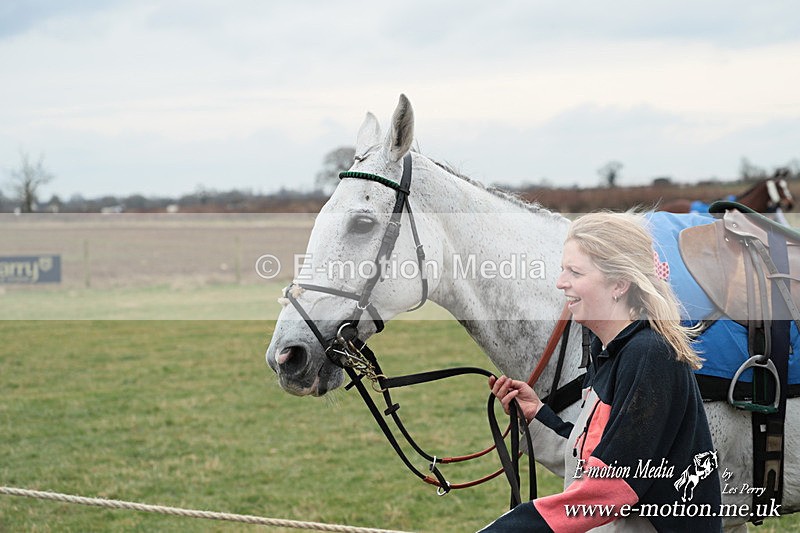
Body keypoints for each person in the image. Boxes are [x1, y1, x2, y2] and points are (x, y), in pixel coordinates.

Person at [480, 212, 722, 532]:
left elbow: (612, 487)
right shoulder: (609, 352)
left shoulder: (649, 354)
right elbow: (597, 458)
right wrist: (536, 414)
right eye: (563, 270)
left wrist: (505, 529)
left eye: (575, 272)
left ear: (619, 283)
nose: (560, 282)